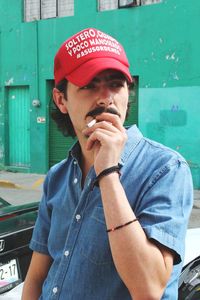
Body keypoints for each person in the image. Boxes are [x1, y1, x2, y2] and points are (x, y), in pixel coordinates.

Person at [22, 28, 193, 300]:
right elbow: (38, 276)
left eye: (115, 84)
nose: (105, 98)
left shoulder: (165, 169)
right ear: (61, 100)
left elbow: (148, 289)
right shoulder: (58, 177)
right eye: (89, 85)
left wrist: (109, 174)